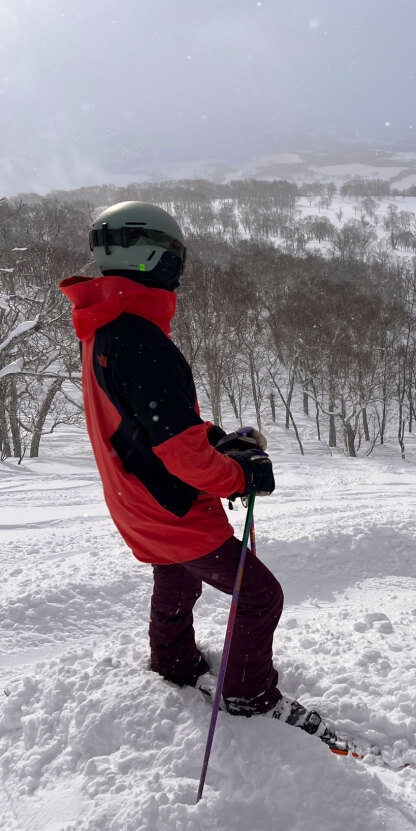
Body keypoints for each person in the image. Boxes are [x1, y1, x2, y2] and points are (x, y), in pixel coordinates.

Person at [59, 200, 338, 744]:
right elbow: (180, 453)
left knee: (175, 575)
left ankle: (174, 659)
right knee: (260, 595)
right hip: (169, 508)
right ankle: (247, 693)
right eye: (175, 256)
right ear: (151, 258)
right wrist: (240, 476)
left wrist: (216, 441)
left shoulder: (106, 327)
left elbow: (150, 423)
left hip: (136, 500)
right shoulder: (140, 340)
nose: (179, 270)